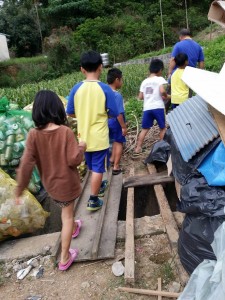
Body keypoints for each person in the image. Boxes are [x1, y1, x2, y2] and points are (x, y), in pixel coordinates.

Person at [15, 90, 86, 271]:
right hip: (66, 185)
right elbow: (74, 160)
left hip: (51, 186)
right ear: (57, 109)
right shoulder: (65, 132)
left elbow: (26, 164)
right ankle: (64, 257)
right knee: (67, 215)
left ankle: (74, 226)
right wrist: (81, 147)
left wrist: (19, 189)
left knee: (65, 209)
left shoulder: (33, 134)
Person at [66, 50, 118, 211]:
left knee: (91, 165)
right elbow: (114, 112)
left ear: (82, 69)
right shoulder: (105, 89)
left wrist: (82, 114)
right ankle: (93, 199)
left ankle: (98, 184)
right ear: (100, 67)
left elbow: (70, 112)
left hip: (83, 137)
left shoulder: (76, 88)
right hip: (99, 137)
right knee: (98, 168)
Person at [134, 59, 170, 155]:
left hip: (147, 108)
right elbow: (162, 91)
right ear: (159, 70)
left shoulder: (144, 81)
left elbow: (140, 97)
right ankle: (162, 148)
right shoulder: (159, 79)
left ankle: (138, 148)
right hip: (158, 107)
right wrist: (166, 96)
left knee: (145, 129)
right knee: (162, 128)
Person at [107, 68, 127, 175]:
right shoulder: (116, 95)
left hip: (107, 122)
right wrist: (123, 126)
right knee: (119, 142)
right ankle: (116, 166)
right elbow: (119, 113)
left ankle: (111, 160)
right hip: (116, 122)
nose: (122, 82)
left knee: (114, 141)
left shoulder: (104, 93)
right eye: (121, 80)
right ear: (116, 80)